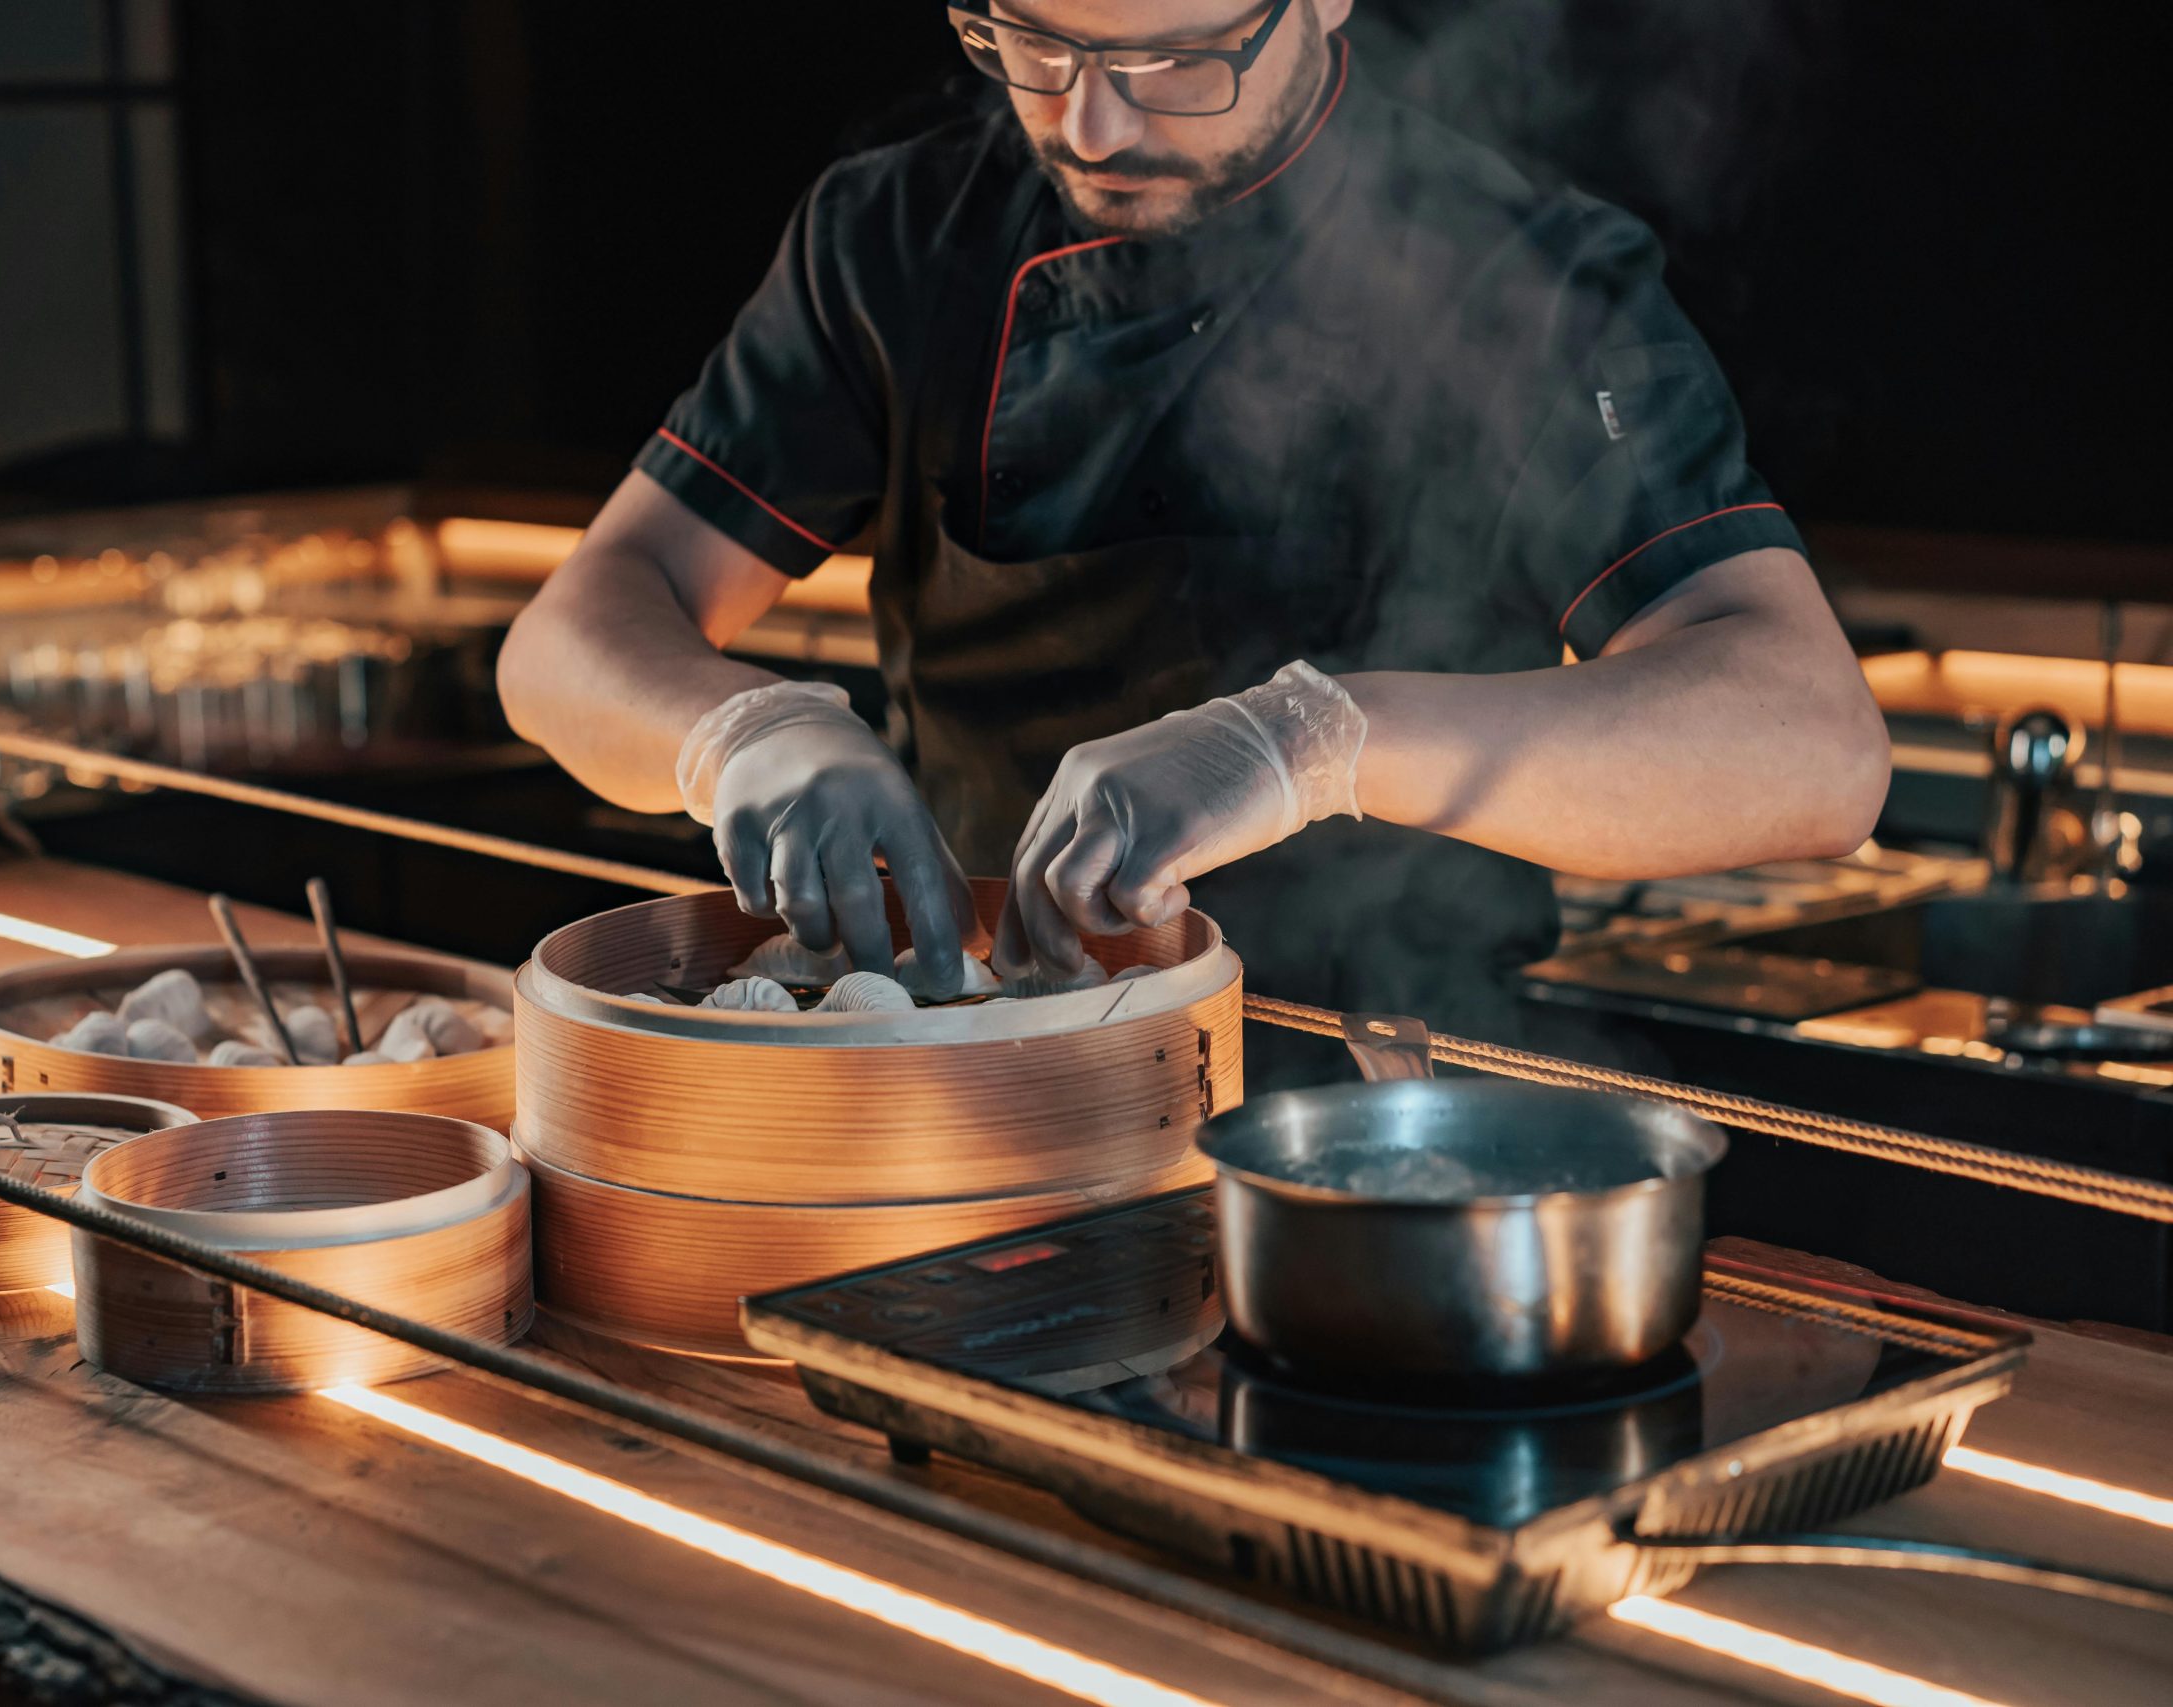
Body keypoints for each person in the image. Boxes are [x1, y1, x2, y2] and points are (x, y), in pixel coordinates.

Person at [497, 0, 1888, 1053]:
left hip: (1366, 1103)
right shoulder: (895, 236)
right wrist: (741, 735)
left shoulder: (1526, 276)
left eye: (1176, 60)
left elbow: (1813, 748)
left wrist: (1311, 742)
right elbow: (570, 635)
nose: (1093, 126)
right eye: (1034, 46)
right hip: (959, 1060)